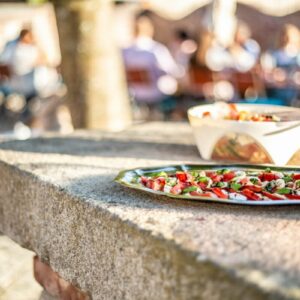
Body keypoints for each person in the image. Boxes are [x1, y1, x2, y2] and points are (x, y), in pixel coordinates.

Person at [122, 11, 181, 119]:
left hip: (135, 95)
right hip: (155, 96)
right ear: (150, 30)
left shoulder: (125, 51)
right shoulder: (156, 50)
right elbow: (172, 71)